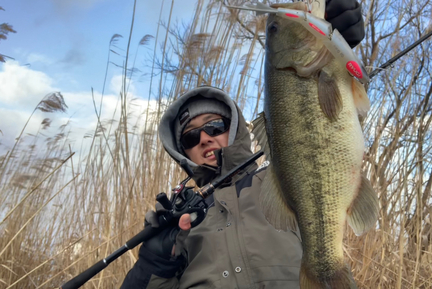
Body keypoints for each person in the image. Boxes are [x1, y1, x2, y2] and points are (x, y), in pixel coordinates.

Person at [121, 1, 365, 288]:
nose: (204, 138)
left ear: (234, 129)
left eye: (215, 126)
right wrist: (154, 261)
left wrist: (339, 46)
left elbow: (328, 130)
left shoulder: (277, 181)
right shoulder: (182, 221)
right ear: (182, 150)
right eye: (190, 136)